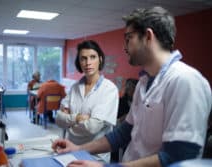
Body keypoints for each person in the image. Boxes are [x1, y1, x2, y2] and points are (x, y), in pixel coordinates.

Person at [52, 6, 212, 167]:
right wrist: (79, 148)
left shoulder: (185, 81)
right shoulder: (143, 82)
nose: (125, 46)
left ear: (148, 36)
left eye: (129, 38)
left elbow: (179, 156)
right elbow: (123, 134)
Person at [55, 40, 119, 162]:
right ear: (79, 62)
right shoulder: (74, 88)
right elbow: (58, 119)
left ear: (100, 59)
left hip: (95, 156)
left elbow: (92, 127)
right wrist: (78, 118)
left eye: (92, 57)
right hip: (70, 151)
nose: (88, 63)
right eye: (83, 58)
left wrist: (69, 120)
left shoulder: (109, 89)